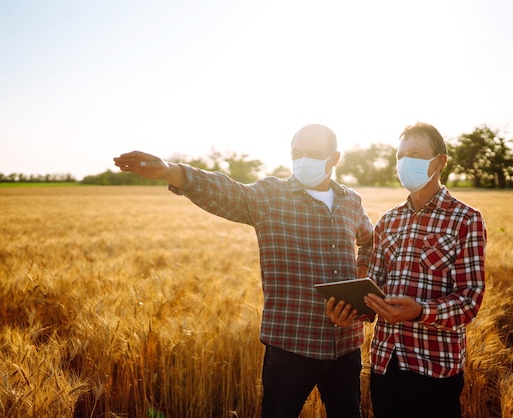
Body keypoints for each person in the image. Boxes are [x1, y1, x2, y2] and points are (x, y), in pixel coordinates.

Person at [114, 124, 374, 418]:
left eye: (313, 154)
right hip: (292, 344)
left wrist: (361, 274)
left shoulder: (350, 201)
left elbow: (369, 241)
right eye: (297, 153)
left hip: (346, 345)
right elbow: (224, 190)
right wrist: (171, 171)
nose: (303, 161)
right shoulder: (270, 196)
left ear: (334, 158)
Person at [326, 122, 486, 418]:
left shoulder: (466, 220)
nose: (404, 162)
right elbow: (375, 289)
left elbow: (470, 300)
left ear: (439, 162)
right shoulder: (388, 221)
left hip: (434, 368)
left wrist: (420, 312)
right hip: (385, 363)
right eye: (400, 156)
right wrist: (352, 313)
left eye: (414, 153)